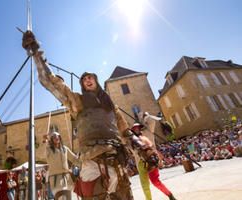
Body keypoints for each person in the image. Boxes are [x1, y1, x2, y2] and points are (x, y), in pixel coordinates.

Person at [22, 31, 157, 200]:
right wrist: (36, 52)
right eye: (84, 79)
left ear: (96, 81)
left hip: (116, 158)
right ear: (83, 85)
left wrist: (144, 149)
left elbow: (126, 133)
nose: (87, 79)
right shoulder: (77, 101)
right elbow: (52, 83)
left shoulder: (111, 107)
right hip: (91, 159)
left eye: (91, 77)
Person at [131, 121, 177, 200]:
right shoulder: (131, 141)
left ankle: (169, 195)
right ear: (133, 131)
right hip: (140, 164)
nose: (138, 130)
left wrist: (144, 146)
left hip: (150, 162)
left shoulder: (144, 138)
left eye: (138, 129)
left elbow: (151, 146)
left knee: (155, 182)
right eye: (136, 129)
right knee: (145, 186)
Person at [44, 132, 78, 199]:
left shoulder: (65, 149)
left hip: (67, 178)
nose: (56, 138)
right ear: (52, 139)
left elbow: (74, 159)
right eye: (54, 137)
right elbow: (44, 154)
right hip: (56, 180)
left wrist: (82, 158)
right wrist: (45, 142)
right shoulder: (49, 150)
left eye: (58, 137)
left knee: (68, 197)